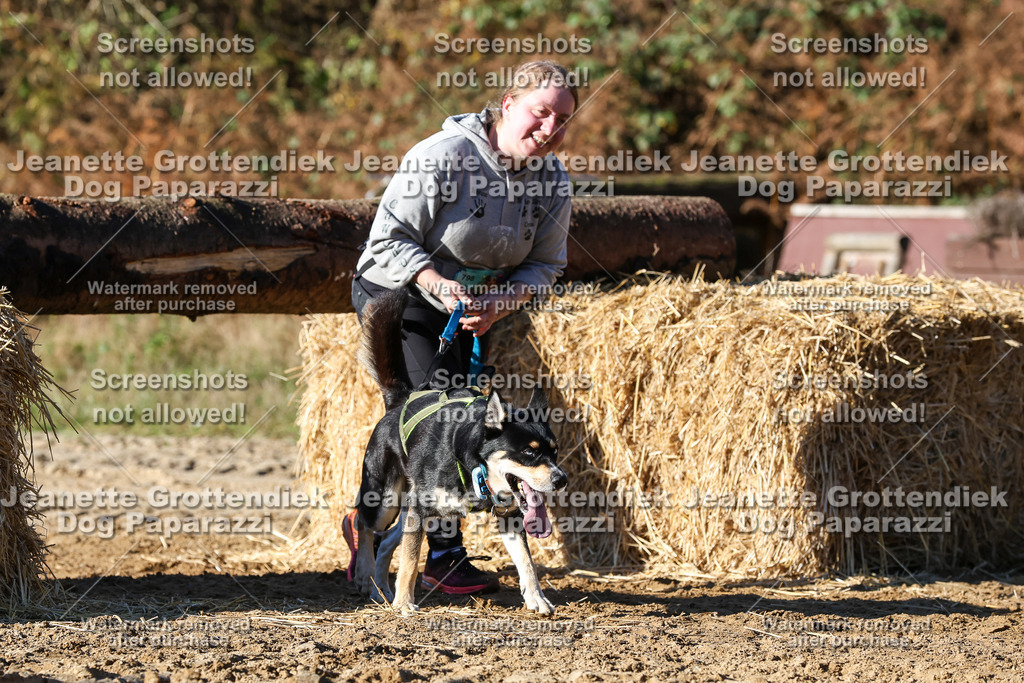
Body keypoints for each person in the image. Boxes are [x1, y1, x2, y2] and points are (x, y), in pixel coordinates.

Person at [345, 61, 578, 595]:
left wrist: (499, 302)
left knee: (462, 411)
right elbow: (386, 240)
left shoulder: (553, 179)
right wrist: (440, 284)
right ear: (506, 103)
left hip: (475, 305)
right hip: (400, 293)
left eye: (562, 121)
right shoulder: (442, 156)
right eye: (540, 113)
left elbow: (546, 264)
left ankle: (406, 537)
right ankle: (432, 550)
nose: (550, 130)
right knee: (435, 412)